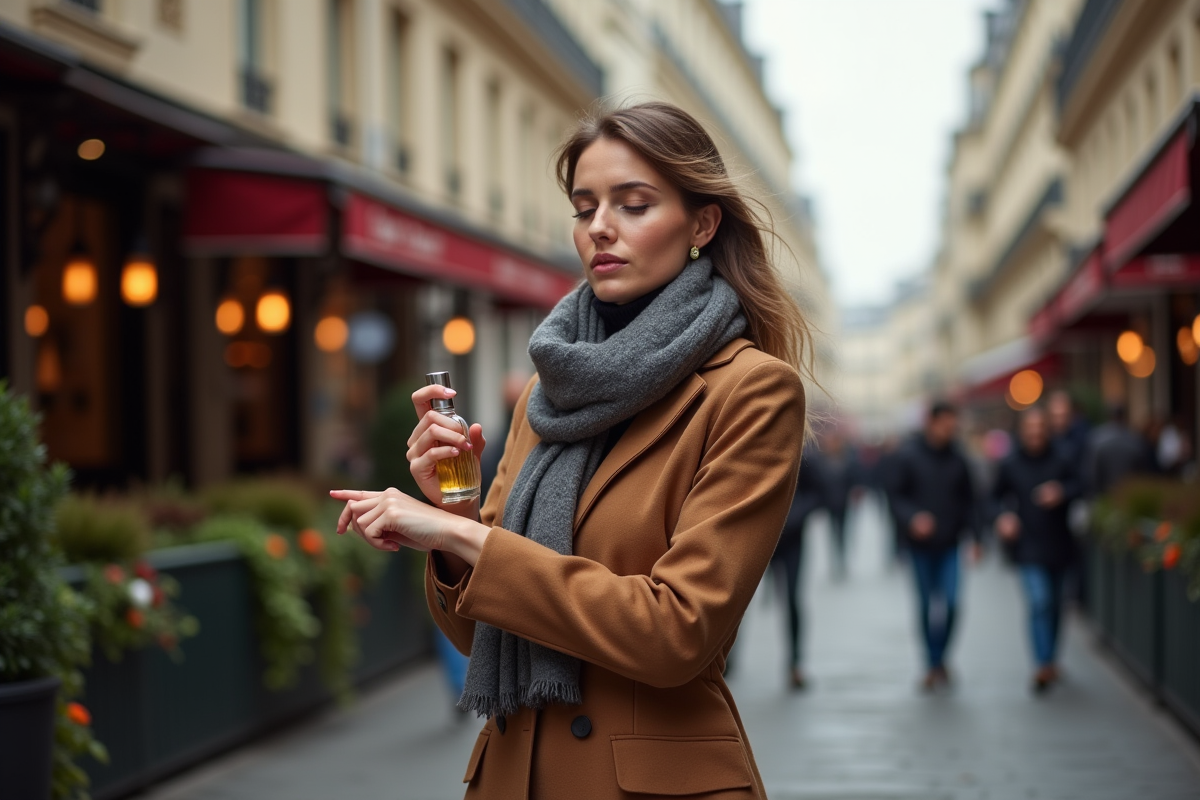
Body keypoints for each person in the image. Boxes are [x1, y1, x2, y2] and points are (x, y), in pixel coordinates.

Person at [332, 102, 810, 799]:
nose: (601, 228)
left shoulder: (750, 392)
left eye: (634, 204)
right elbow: (481, 637)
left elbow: (678, 633)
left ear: (702, 224)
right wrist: (452, 517)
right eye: (585, 208)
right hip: (515, 777)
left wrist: (470, 540)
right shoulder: (545, 391)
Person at [887, 401, 981, 691]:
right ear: (931, 422)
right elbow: (895, 497)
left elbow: (972, 501)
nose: (949, 430)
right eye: (945, 424)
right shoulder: (909, 456)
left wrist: (977, 538)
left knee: (952, 604)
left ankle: (940, 658)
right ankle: (931, 663)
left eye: (953, 425)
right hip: (920, 547)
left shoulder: (959, 459)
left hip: (951, 544)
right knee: (927, 606)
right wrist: (913, 518)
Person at [992, 407, 1080, 693]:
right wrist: (1003, 517)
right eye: (1030, 429)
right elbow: (992, 498)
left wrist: (1062, 492)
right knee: (1039, 601)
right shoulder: (1010, 463)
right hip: (1027, 546)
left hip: (1059, 544)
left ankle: (1051, 658)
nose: (1035, 434)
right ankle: (1042, 664)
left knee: (1055, 606)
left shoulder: (1063, 458)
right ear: (1022, 431)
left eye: (1040, 428)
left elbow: (1083, 485)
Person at [770, 451, 826, 690]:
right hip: (755, 540)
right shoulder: (752, 444)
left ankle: (795, 663)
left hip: (792, 539)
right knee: (737, 604)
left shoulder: (802, 455)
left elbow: (818, 493)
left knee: (792, 600)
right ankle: (726, 660)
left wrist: (794, 517)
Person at [821, 431, 861, 579]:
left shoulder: (848, 460)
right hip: (830, 503)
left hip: (844, 502)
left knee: (843, 531)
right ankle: (835, 560)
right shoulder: (823, 461)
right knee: (832, 532)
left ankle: (842, 559)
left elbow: (854, 479)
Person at [1083, 405, 1147, 496]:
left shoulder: (1096, 439)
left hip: (1104, 496)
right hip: (1129, 496)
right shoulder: (1136, 440)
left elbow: (1091, 474)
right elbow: (1143, 472)